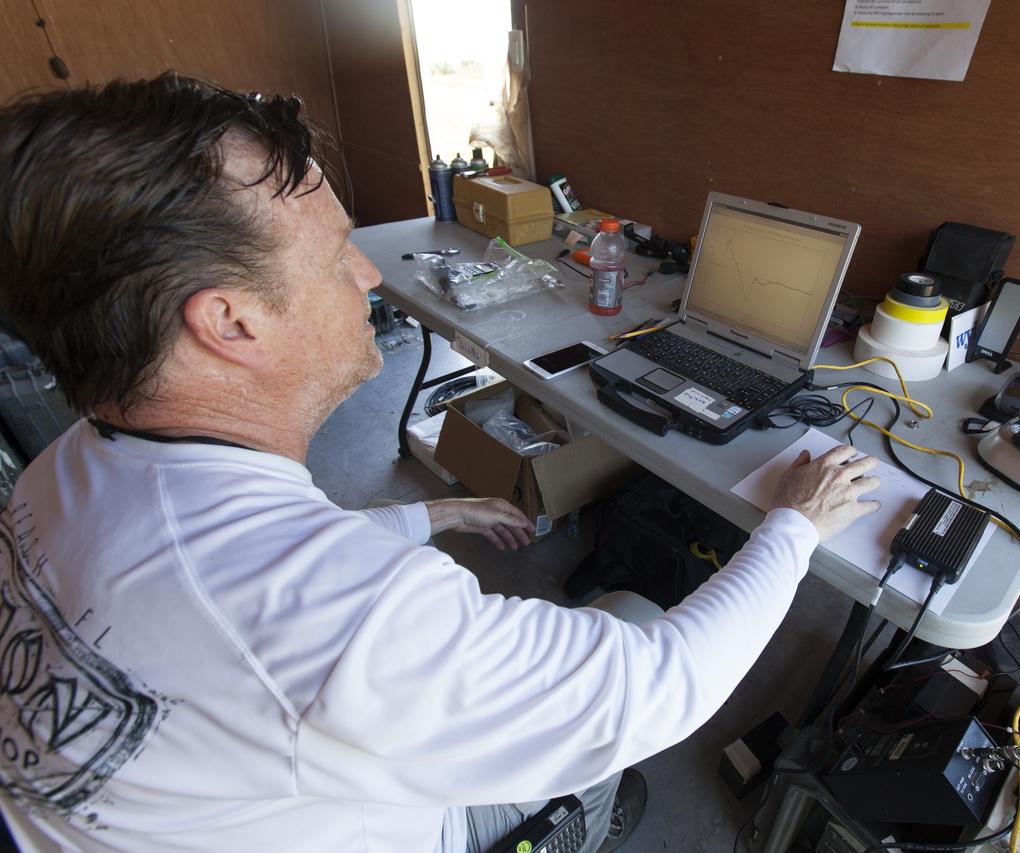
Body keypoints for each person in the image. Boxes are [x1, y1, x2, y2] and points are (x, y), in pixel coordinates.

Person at [0, 73, 882, 852]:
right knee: (634, 610)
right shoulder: (352, 623)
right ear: (232, 322)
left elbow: (254, 574)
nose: (368, 276)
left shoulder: (67, 466)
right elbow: (662, 684)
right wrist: (793, 526)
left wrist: (431, 515)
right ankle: (588, 819)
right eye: (332, 254)